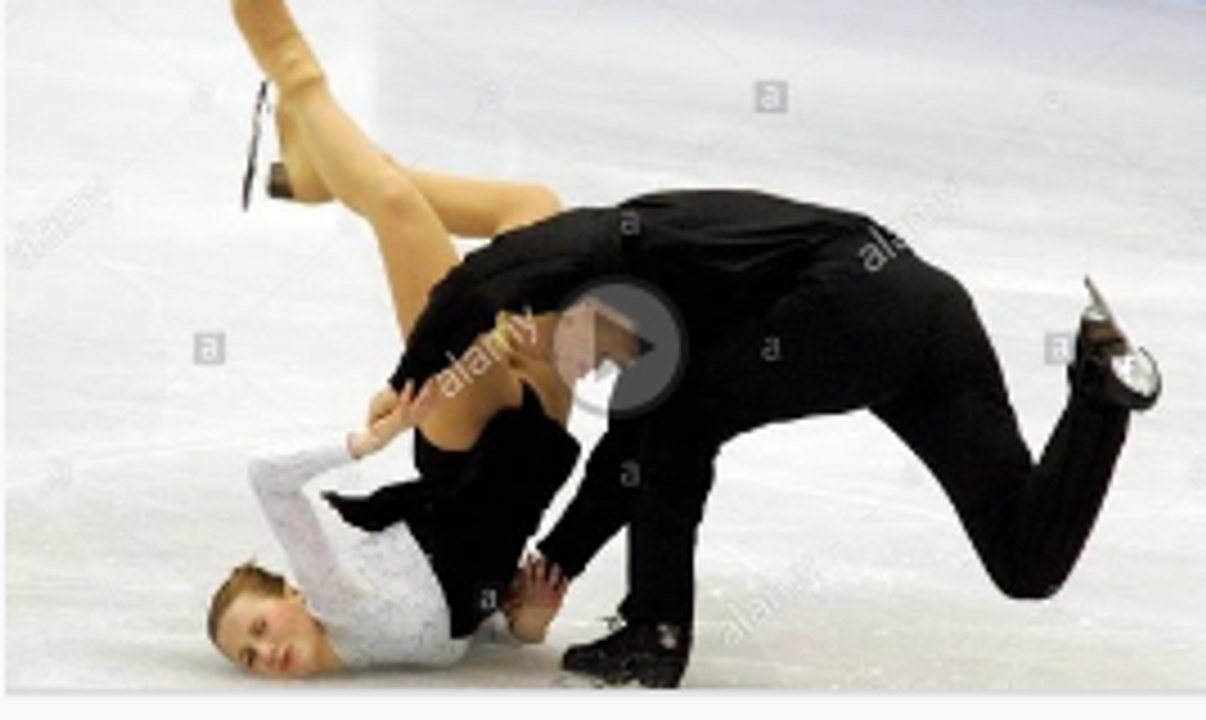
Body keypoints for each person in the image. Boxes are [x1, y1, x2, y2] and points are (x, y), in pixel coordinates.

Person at [381, 188, 1163, 687]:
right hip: (930, 314)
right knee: (1027, 562)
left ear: (575, 302)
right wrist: (551, 567)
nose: (573, 367)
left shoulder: (626, 240)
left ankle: (656, 632)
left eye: (563, 344)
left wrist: (410, 372)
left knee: (682, 421)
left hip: (855, 292)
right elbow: (624, 470)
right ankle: (1102, 392)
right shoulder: (663, 352)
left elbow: (496, 271)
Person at [209, 0, 583, 677]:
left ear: (295, 594)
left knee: (394, 205)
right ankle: (326, 173)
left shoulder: (335, 596)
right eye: (249, 655)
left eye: (259, 628)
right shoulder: (393, 652)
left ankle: (293, 71)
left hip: (467, 432)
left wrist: (366, 443)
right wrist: (525, 624)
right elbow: (480, 619)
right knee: (534, 209)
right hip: (535, 441)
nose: (265, 652)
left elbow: (267, 478)